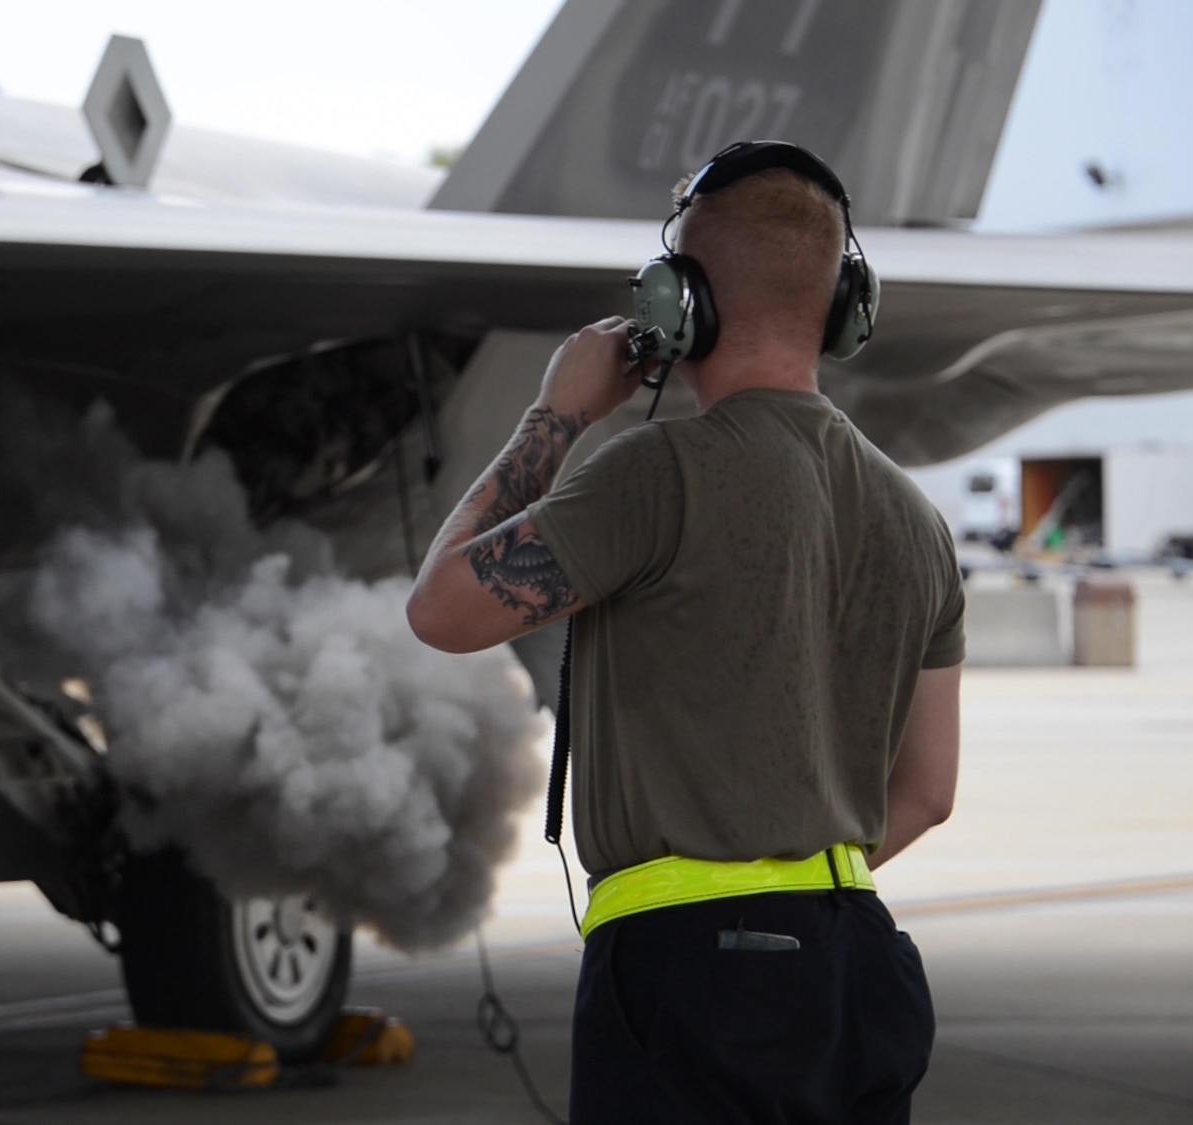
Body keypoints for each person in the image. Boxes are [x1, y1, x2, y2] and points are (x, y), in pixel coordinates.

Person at [405, 144, 964, 1124]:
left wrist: (554, 416)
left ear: (679, 303)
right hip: (861, 972)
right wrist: (788, 879)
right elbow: (925, 793)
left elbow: (441, 609)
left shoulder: (653, 474)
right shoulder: (915, 520)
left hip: (696, 977)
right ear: (841, 304)